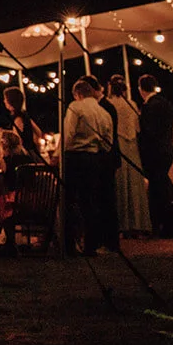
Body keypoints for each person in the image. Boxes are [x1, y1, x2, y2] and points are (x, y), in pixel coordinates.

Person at [63, 76, 119, 255]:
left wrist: (61, 154)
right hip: (94, 158)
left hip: (75, 157)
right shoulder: (104, 112)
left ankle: (70, 244)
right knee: (90, 202)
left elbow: (69, 134)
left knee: (70, 201)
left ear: (77, 94)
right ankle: (91, 245)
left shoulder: (75, 107)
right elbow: (108, 142)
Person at [105, 74, 150, 236]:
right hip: (132, 147)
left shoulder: (109, 105)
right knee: (134, 184)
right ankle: (136, 222)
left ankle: (120, 224)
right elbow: (137, 128)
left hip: (118, 145)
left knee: (119, 183)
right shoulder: (131, 104)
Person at [137, 74, 173, 237]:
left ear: (141, 89)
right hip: (167, 151)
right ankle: (166, 223)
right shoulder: (166, 103)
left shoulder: (149, 106)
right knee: (161, 187)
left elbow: (148, 132)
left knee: (157, 189)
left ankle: (162, 224)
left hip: (154, 153)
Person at [3, 87, 44, 158]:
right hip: (32, 153)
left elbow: (17, 141)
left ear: (11, 101)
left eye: (5, 99)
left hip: (24, 156)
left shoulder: (18, 119)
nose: (4, 101)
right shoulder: (24, 115)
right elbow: (39, 132)